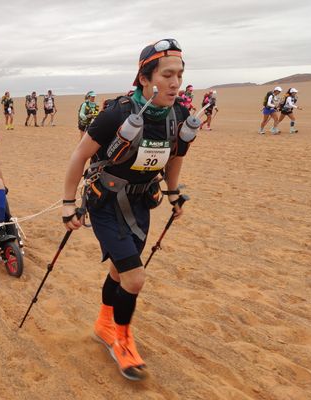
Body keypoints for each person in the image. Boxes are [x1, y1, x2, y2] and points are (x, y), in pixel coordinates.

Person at [62, 39, 192, 381]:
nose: (175, 83)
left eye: (179, 75)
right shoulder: (117, 114)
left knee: (121, 273)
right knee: (135, 278)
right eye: (167, 75)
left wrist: (174, 192)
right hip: (105, 203)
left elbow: (176, 156)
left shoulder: (179, 114)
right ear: (145, 78)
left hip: (141, 202)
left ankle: (105, 324)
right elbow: (78, 156)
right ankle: (121, 340)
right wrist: (67, 204)